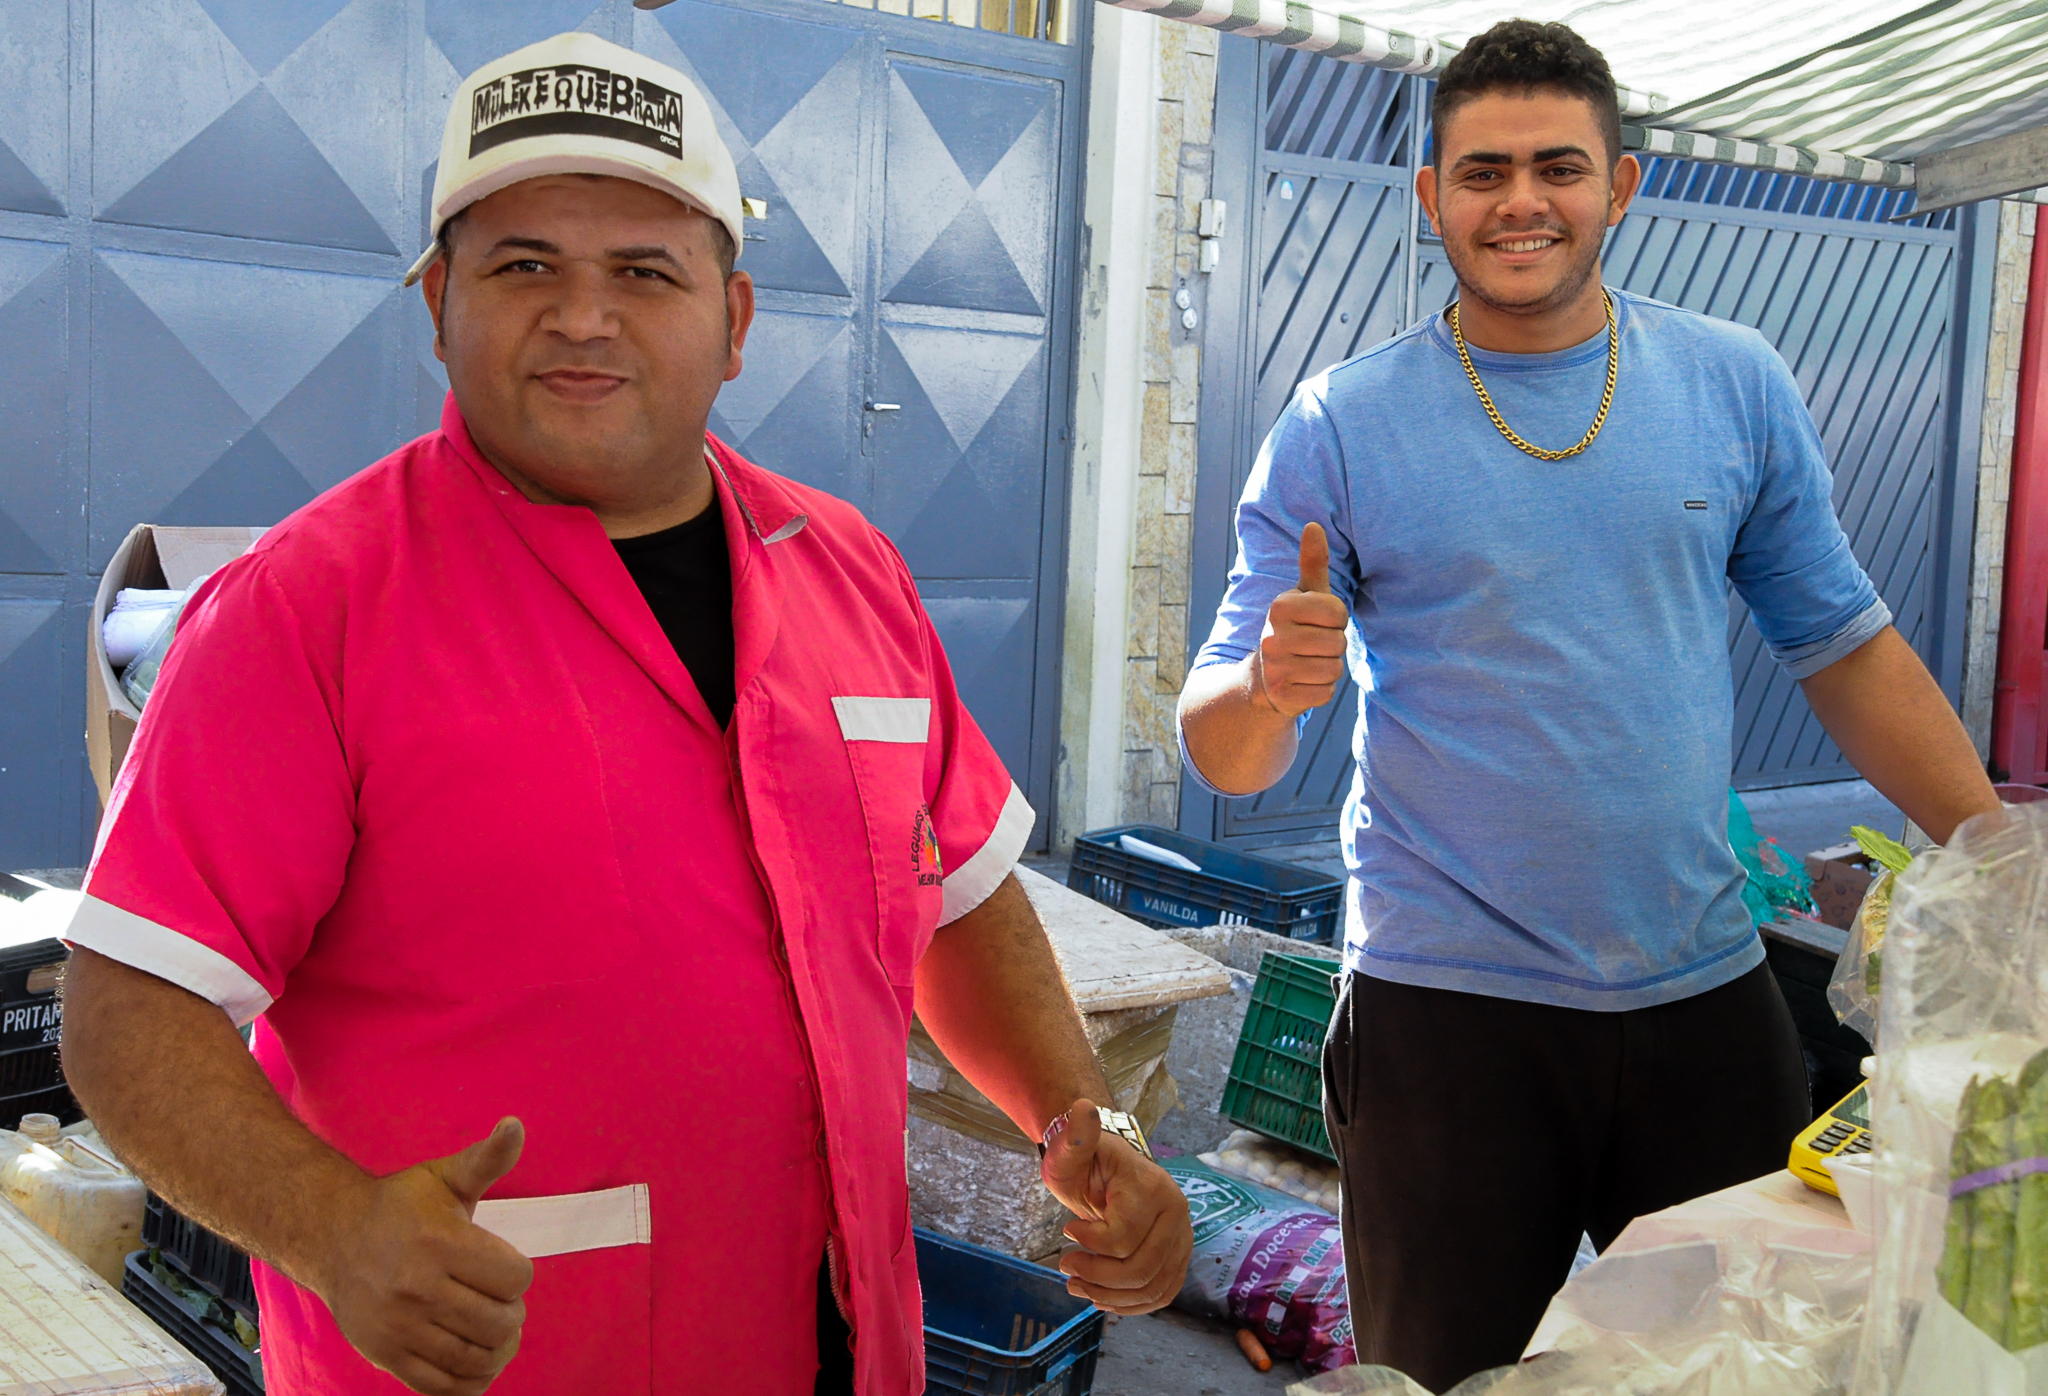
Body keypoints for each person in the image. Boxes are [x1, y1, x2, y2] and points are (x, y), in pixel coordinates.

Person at [59, 32, 1189, 1396]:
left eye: (645, 272)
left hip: (840, 1343)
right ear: (436, 304)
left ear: (735, 320)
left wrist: (1091, 1120)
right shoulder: (307, 611)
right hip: (500, 1360)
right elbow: (130, 1004)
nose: (582, 316)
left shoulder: (848, 574)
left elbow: (961, 897)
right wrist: (335, 1231)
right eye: (524, 264)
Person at [1177, 19, 2000, 1391]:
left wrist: (1994, 850)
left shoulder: (1732, 383)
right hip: (1443, 1021)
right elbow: (1227, 748)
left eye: (1557, 166)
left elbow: (1845, 646)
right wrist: (1270, 684)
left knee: (1738, 1370)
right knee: (1443, 1376)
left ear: (1620, 187)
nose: (1520, 201)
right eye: (1482, 170)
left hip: (1702, 1000)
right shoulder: (1341, 421)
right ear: (1430, 194)